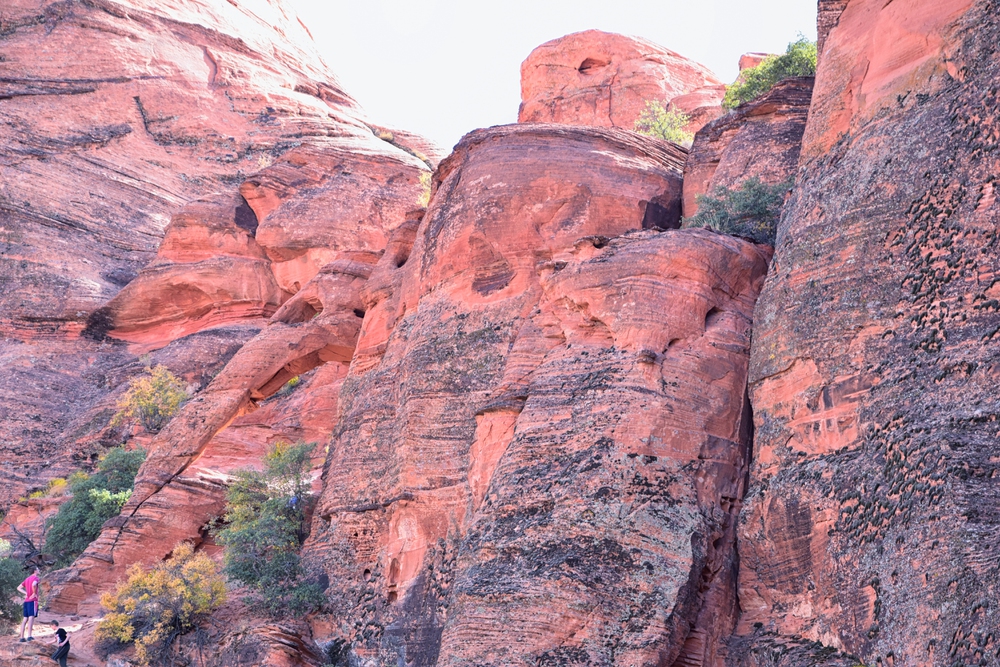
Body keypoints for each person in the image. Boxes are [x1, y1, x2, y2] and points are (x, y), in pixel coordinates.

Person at [17, 567, 40, 642]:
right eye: (38, 569)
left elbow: (19, 588)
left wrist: (26, 593)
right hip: (32, 600)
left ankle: (22, 637)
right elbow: (34, 584)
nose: (39, 570)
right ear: (35, 571)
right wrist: (34, 593)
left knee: (25, 619)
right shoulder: (36, 578)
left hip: (26, 601)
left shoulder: (27, 579)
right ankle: (29, 636)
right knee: (31, 617)